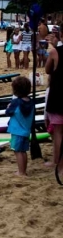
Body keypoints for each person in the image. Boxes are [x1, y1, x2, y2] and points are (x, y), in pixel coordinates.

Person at [6, 76, 35, 177]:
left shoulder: (16, 102)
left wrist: (9, 106)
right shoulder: (31, 102)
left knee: (17, 151)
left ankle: (21, 172)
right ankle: (24, 170)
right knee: (23, 151)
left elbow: (8, 112)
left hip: (17, 131)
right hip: (26, 130)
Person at [45, 24, 63, 173]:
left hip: (58, 96)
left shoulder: (55, 52)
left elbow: (47, 70)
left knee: (58, 132)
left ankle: (58, 163)